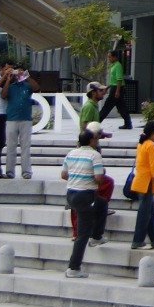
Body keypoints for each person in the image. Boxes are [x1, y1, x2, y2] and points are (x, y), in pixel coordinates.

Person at [62, 128, 106, 278]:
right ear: (91, 140)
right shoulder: (95, 155)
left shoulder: (71, 153)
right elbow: (99, 178)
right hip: (86, 195)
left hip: (71, 193)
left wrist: (76, 178)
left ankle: (98, 236)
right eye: (95, 138)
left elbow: (63, 174)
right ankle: (73, 267)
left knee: (102, 204)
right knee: (83, 233)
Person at [129, 122, 154, 249]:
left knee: (150, 211)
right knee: (144, 213)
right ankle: (138, 241)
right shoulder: (151, 146)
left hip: (140, 181)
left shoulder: (142, 144)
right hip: (147, 182)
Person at [3, 62, 36, 180]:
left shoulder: (27, 86)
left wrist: (27, 76)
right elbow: (3, 95)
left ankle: (26, 171)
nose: (18, 74)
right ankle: (9, 171)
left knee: (25, 146)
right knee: (11, 146)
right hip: (12, 118)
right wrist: (8, 79)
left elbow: (37, 88)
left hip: (25, 119)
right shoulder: (11, 87)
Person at [102, 50, 131, 129]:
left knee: (107, 106)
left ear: (115, 57)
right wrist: (107, 88)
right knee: (121, 107)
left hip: (117, 88)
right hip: (115, 87)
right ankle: (128, 123)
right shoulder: (113, 66)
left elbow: (119, 79)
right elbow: (113, 81)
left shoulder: (118, 65)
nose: (109, 59)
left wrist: (117, 91)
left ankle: (96, 122)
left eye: (110, 57)